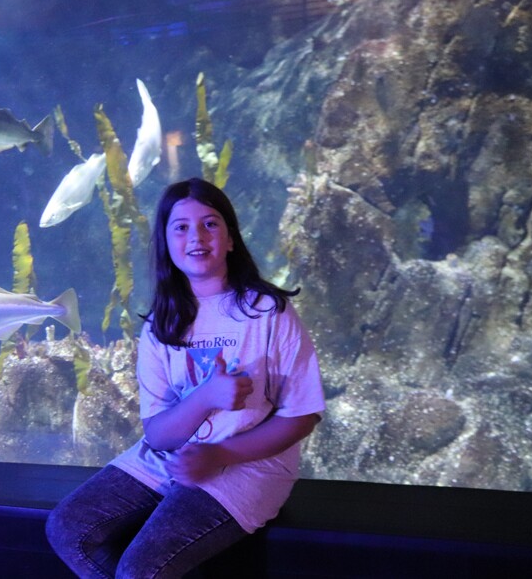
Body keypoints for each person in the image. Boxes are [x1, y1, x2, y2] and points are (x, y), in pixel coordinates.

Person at [46, 178, 326, 578]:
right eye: (181, 227)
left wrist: (219, 454)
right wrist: (206, 397)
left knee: (139, 569)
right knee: (67, 528)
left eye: (210, 223)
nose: (196, 236)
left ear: (231, 239)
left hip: (248, 467)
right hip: (169, 459)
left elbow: (302, 415)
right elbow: (159, 435)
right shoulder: (160, 325)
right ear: (166, 242)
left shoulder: (268, 312)